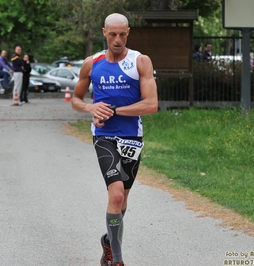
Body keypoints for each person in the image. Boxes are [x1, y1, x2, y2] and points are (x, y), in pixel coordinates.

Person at [71, 13, 158, 266]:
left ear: (128, 32)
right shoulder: (92, 63)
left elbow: (151, 105)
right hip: (104, 136)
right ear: (104, 32)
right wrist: (90, 109)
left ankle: (109, 242)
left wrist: (113, 111)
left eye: (122, 34)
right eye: (112, 34)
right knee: (116, 195)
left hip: (132, 136)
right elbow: (77, 99)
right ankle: (117, 260)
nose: (117, 39)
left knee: (123, 200)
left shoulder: (140, 61)